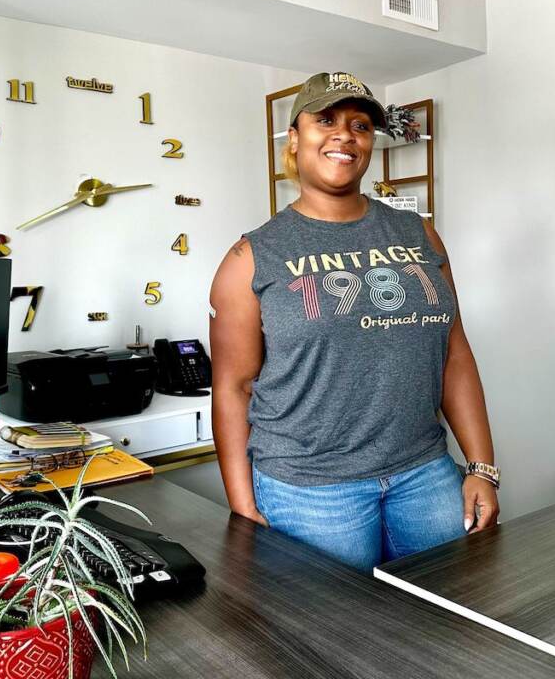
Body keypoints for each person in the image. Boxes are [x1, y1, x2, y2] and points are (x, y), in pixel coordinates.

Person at [209, 71, 499, 572]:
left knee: (446, 623)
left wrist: (481, 467)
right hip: (311, 489)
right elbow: (233, 387)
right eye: (325, 120)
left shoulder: (419, 235)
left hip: (424, 473)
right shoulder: (251, 257)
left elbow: (454, 354)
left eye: (360, 125)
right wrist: (241, 502)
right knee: (332, 643)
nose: (345, 134)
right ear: (295, 139)